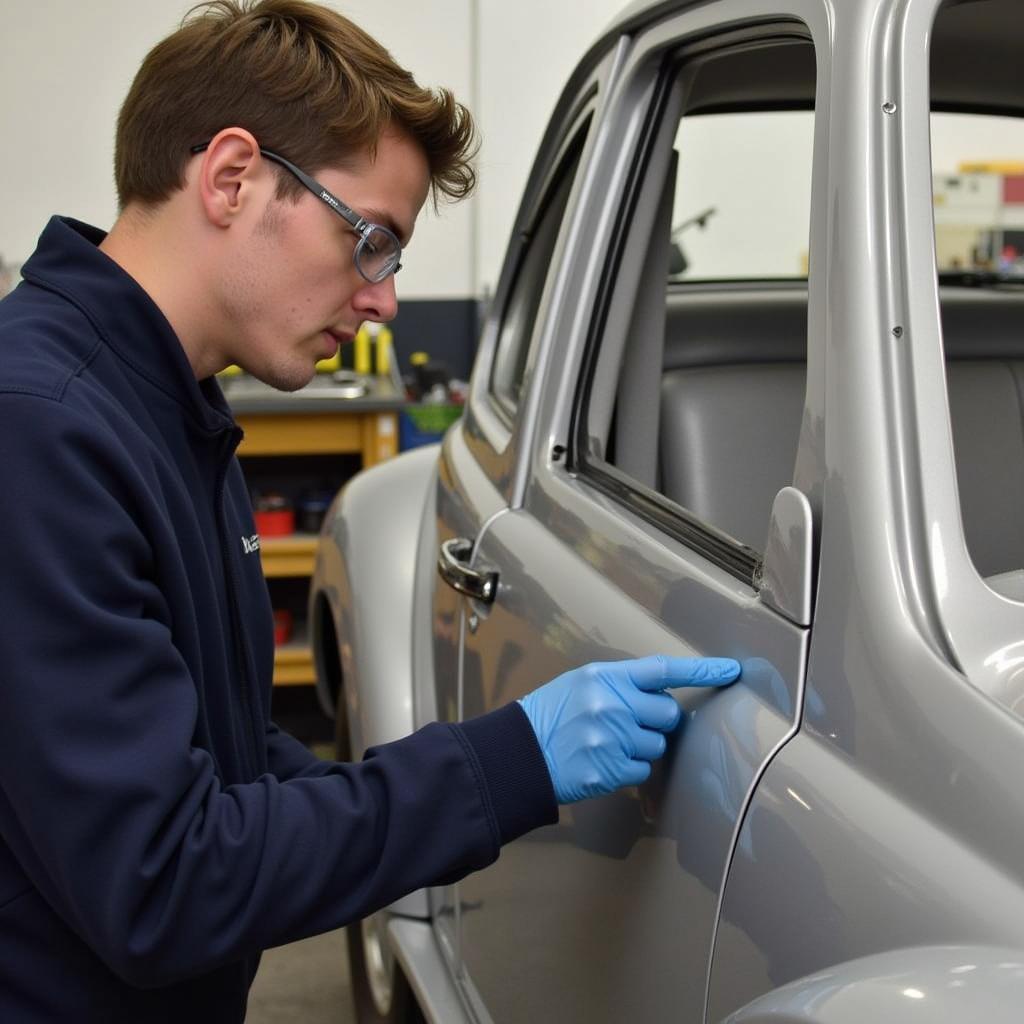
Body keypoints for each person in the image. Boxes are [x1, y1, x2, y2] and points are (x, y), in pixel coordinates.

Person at [0, 2, 740, 1020]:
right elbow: (161, 882)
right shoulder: (37, 431)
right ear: (230, 178)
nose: (384, 299)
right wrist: (504, 760)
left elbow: (228, 755)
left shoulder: (167, 405)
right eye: (372, 242)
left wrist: (461, 795)